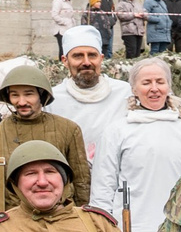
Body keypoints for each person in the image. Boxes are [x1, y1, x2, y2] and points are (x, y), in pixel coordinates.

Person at [93, 58, 181, 232]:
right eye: (146, 83)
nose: (154, 88)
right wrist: (103, 231)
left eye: (160, 82)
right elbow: (103, 186)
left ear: (169, 86)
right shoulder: (116, 131)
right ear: (134, 89)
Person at [0, 62, 93, 215]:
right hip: (13, 224)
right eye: (15, 95)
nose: (21, 102)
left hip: (61, 219)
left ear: (41, 95)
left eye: (28, 94)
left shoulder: (68, 130)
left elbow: (82, 185)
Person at [47, 27, 131, 169]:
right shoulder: (52, 99)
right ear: (65, 60)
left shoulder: (123, 93)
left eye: (92, 55)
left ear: (101, 58)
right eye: (78, 56)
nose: (86, 62)